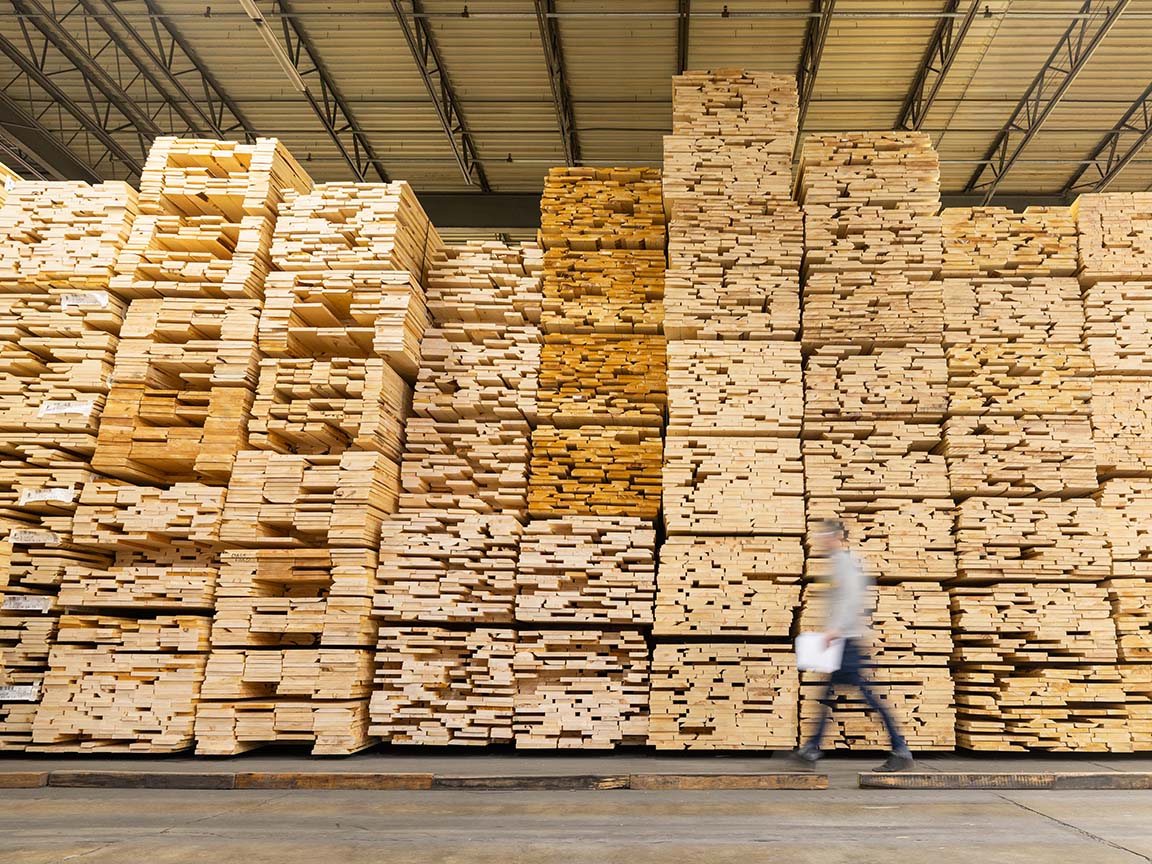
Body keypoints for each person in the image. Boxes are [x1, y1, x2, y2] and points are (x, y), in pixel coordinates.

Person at [794, 518, 914, 773]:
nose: (823, 540)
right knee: (827, 694)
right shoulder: (836, 564)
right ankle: (812, 748)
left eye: (828, 535)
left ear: (839, 537)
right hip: (841, 639)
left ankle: (900, 748)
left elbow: (850, 599)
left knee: (866, 694)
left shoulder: (846, 563)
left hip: (846, 639)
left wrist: (835, 629)